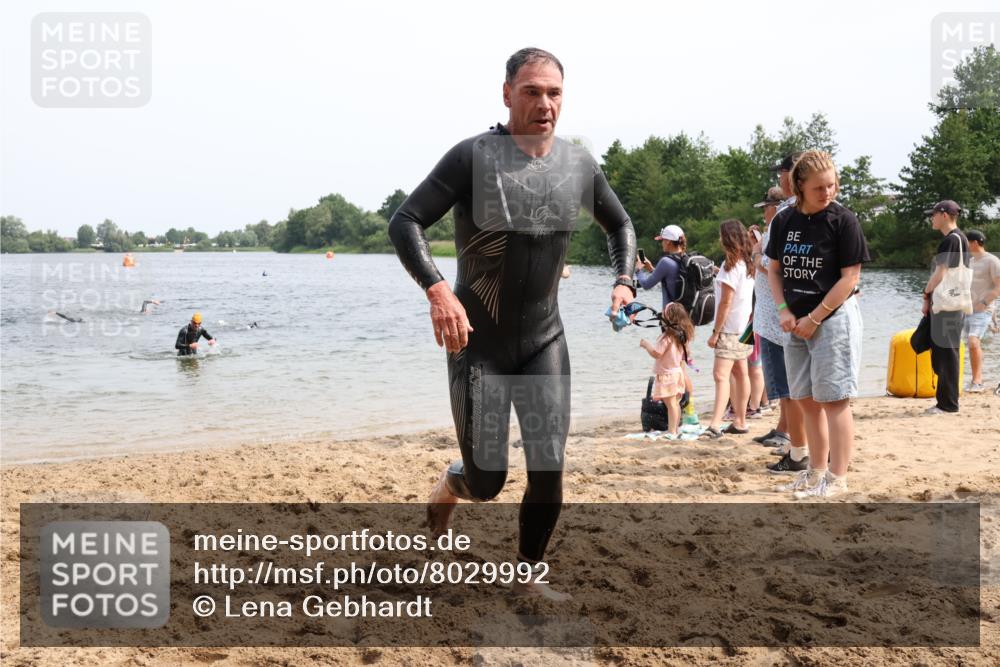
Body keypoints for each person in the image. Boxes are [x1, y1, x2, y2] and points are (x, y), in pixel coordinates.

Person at [387, 47, 636, 601]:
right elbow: (404, 222)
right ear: (506, 94)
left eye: (554, 93)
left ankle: (527, 575)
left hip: (545, 337)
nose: (544, 104)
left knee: (549, 467)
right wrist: (437, 291)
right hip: (478, 342)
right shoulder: (473, 157)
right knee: (488, 480)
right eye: (531, 91)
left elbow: (620, 224)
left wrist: (625, 279)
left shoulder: (578, 165)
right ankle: (453, 483)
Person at [766, 150, 870, 498]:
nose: (828, 193)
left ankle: (838, 478)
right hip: (795, 323)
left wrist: (815, 318)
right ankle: (815, 471)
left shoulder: (843, 221)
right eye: (819, 188)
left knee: (835, 400)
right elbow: (773, 268)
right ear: (799, 187)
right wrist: (783, 309)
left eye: (832, 185)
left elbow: (849, 278)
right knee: (806, 401)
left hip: (832, 321)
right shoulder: (784, 221)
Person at [752, 180, 811, 474]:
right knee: (787, 387)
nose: (765, 215)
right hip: (773, 316)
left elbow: (774, 266)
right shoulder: (785, 224)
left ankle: (793, 443)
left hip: (777, 320)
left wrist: (755, 253)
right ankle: (787, 435)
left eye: (766, 209)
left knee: (788, 388)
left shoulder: (783, 224)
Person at [700, 219, 755, 439]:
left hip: (730, 328)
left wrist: (715, 332)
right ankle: (740, 421)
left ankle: (715, 424)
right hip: (745, 326)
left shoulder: (730, 265)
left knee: (720, 375)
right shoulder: (747, 264)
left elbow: (725, 302)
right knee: (741, 373)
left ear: (727, 238)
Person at [637, 224, 697, 422]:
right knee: (681, 366)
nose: (661, 242)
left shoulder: (666, 262)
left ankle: (685, 413)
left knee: (675, 368)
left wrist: (639, 270)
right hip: (686, 320)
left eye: (663, 240)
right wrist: (652, 269)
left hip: (670, 322)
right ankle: (688, 412)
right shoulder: (685, 259)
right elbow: (670, 280)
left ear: (670, 242)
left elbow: (646, 284)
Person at [921, 200, 970, 413]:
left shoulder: (951, 240)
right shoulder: (960, 239)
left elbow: (940, 273)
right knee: (945, 351)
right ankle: (946, 402)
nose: (931, 218)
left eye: (933, 214)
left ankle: (948, 404)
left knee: (947, 353)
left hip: (947, 305)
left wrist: (926, 294)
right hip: (954, 303)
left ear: (943, 214)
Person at [639, 303, 694, 438]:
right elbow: (686, 355)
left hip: (667, 375)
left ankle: (672, 431)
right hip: (677, 373)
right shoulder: (682, 336)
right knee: (675, 404)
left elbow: (657, 353)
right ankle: (675, 429)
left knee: (671, 405)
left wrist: (646, 345)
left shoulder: (667, 337)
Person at [964, 229, 1000, 392]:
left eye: (966, 242)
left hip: (983, 309)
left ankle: (977, 382)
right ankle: (972, 380)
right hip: (966, 309)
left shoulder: (992, 261)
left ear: (975, 243)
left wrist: (984, 303)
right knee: (970, 344)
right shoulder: (970, 262)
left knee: (973, 341)